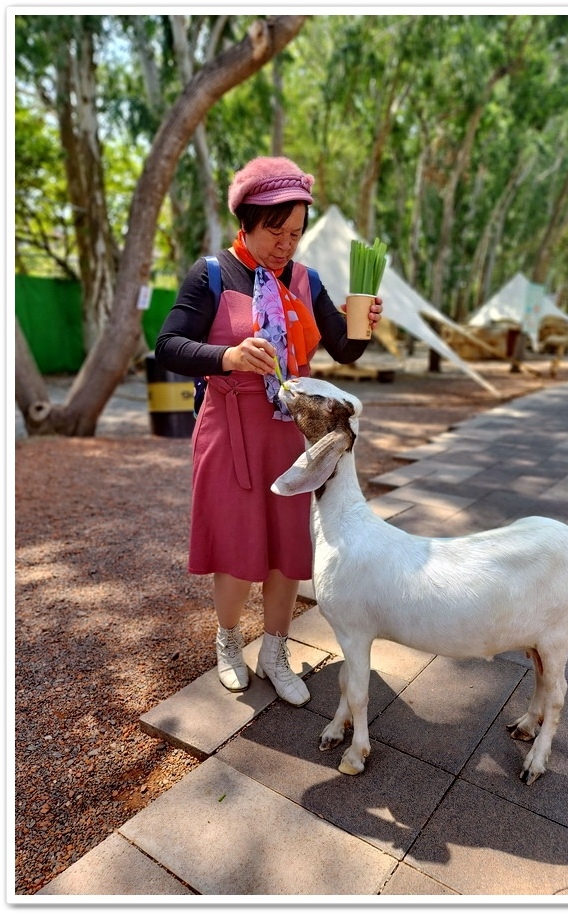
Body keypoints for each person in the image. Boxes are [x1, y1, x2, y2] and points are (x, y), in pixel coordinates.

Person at [155, 157, 382, 706]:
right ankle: (228, 641)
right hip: (229, 429)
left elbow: (344, 349)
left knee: (287, 547)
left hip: (288, 432)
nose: (287, 246)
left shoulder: (306, 281)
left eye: (297, 234)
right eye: (275, 233)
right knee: (236, 545)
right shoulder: (211, 273)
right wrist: (228, 355)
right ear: (247, 222)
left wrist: (364, 325)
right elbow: (169, 346)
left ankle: (275, 649)